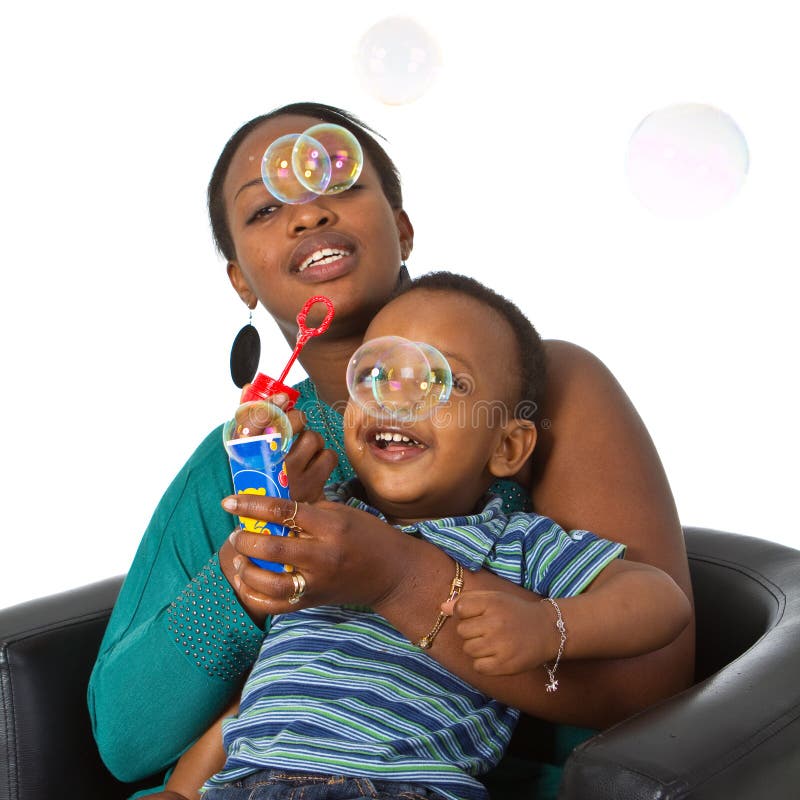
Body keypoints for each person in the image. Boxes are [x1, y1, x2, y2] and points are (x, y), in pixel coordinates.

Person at [87, 103, 695, 799]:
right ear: (240, 282)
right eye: (262, 211)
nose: (308, 214)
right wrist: (250, 576)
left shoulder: (543, 389)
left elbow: (652, 681)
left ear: (402, 229)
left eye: (338, 184)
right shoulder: (241, 458)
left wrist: (401, 578)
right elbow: (126, 740)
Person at [142, 272, 691, 800]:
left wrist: (550, 626)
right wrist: (183, 790)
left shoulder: (515, 544)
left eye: (443, 381)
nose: (397, 398)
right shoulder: (320, 526)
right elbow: (262, 698)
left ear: (507, 448)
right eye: (377, 376)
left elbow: (659, 599)